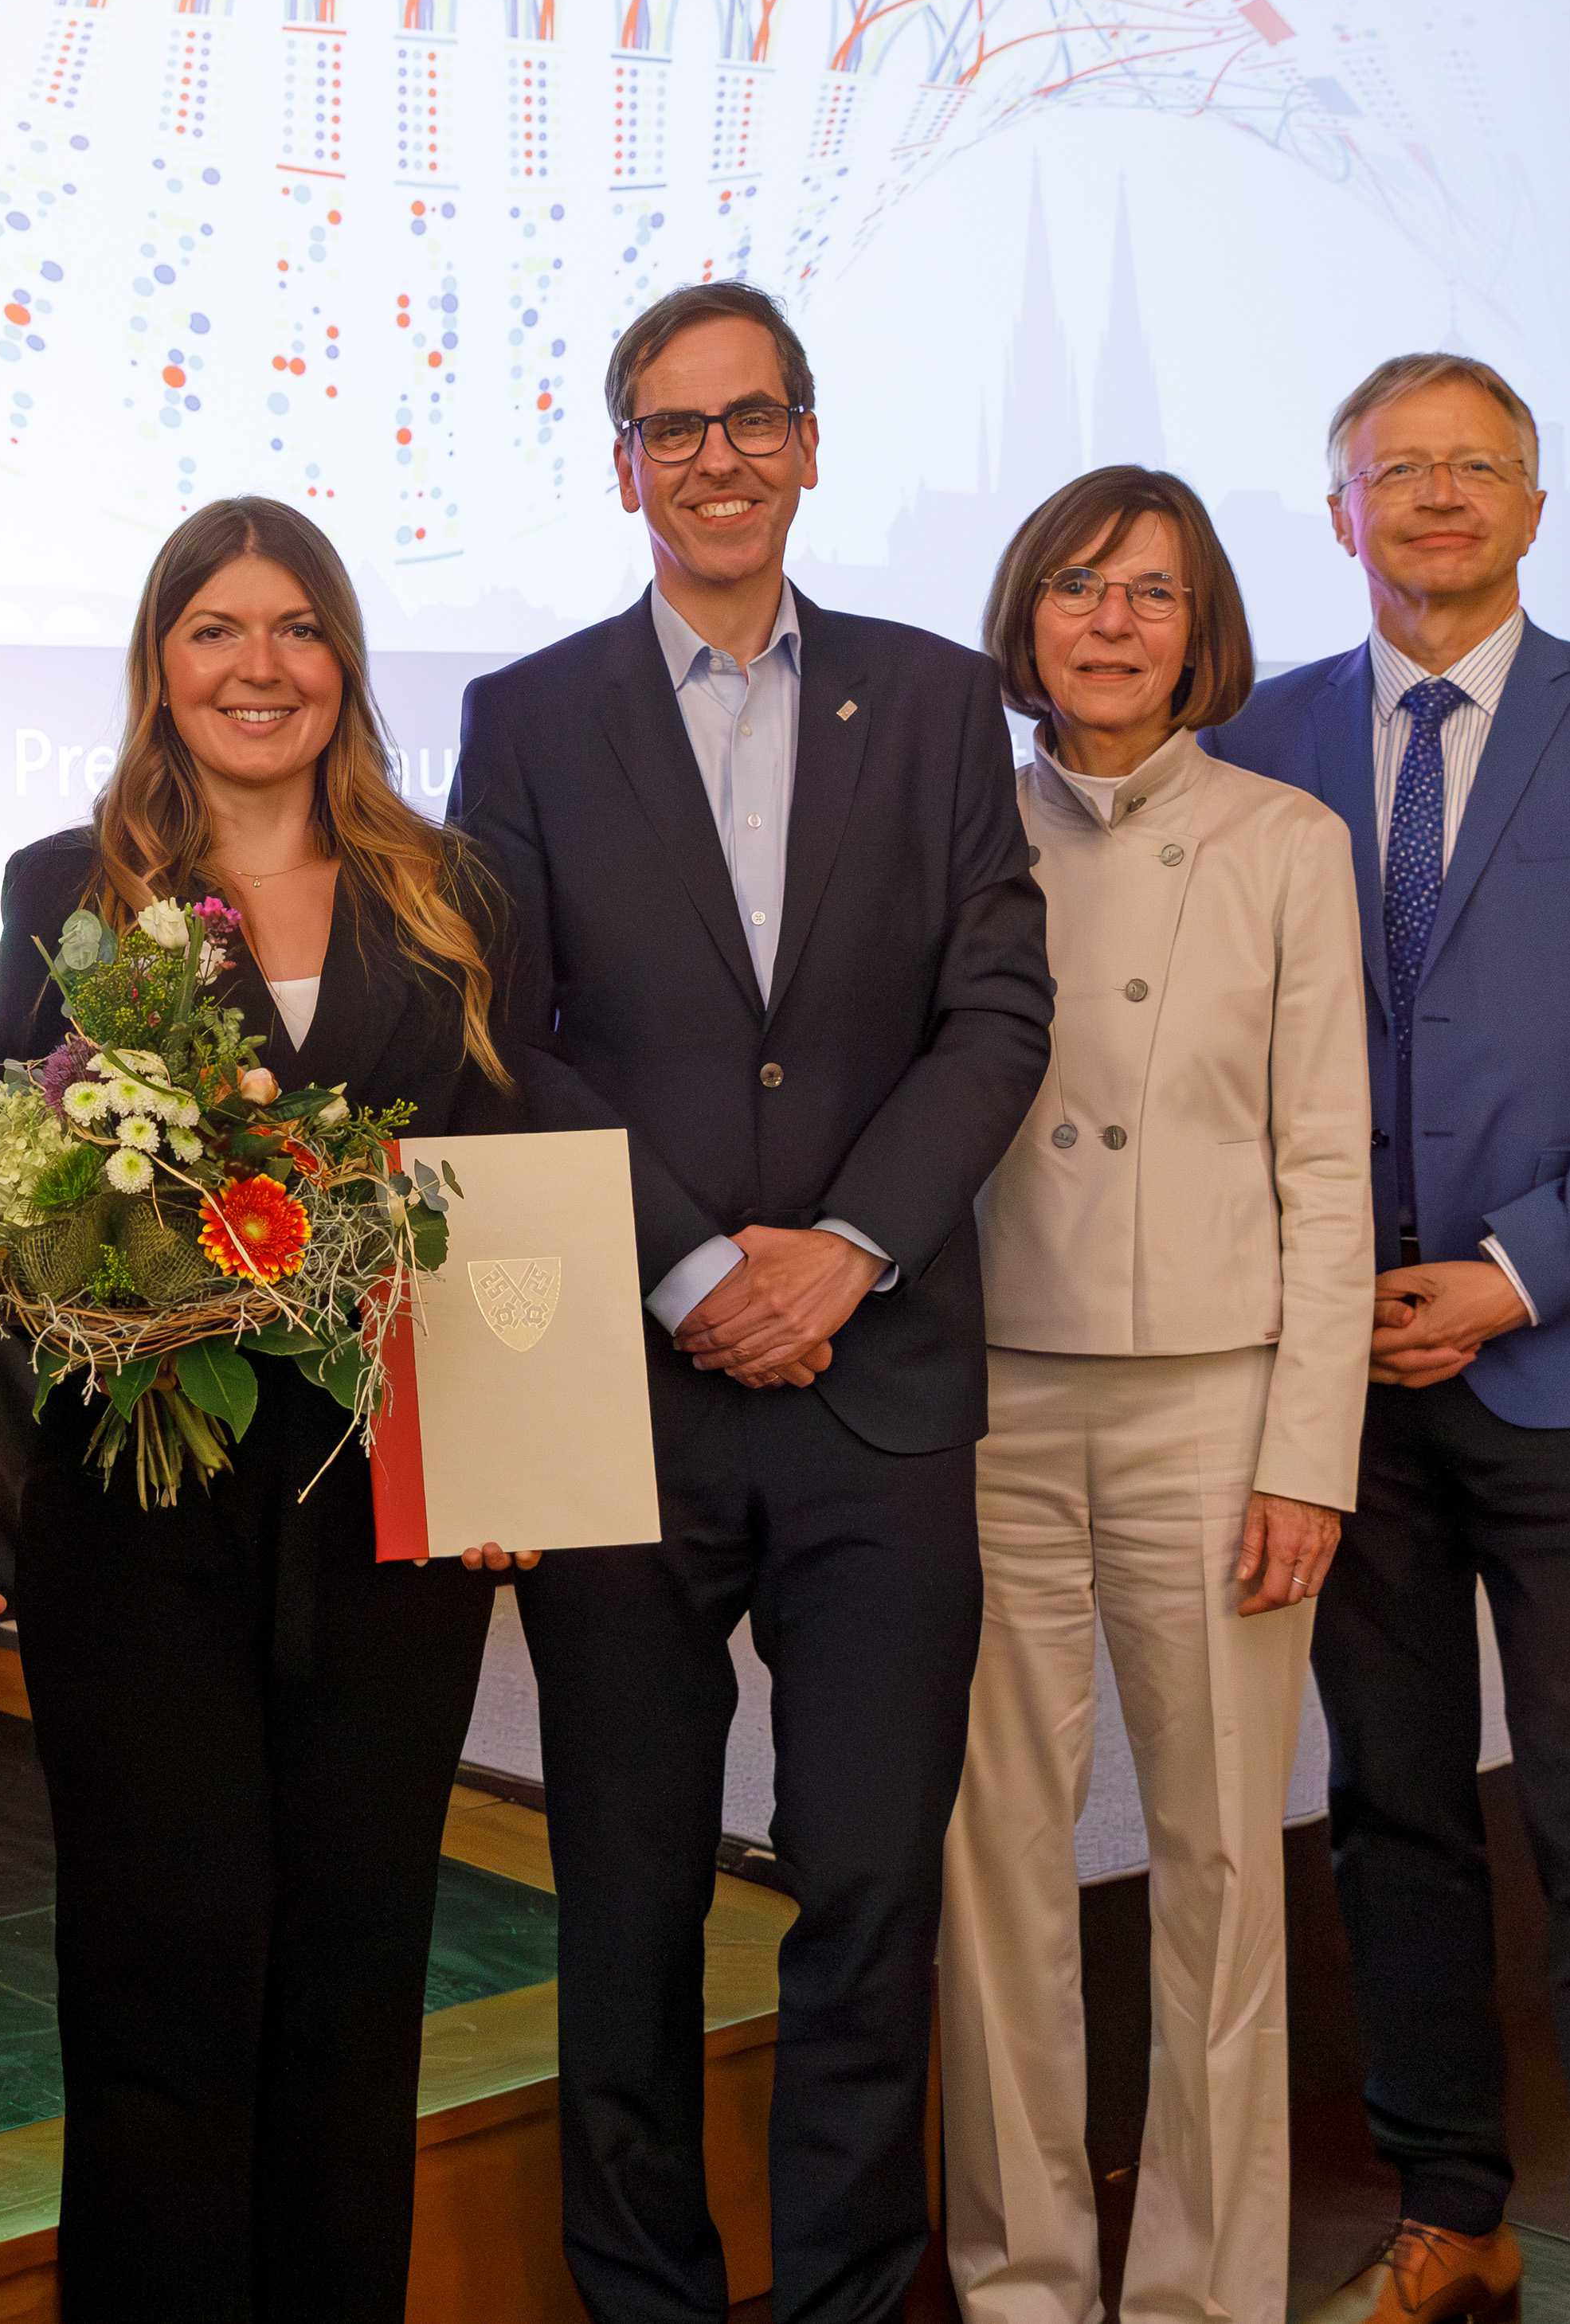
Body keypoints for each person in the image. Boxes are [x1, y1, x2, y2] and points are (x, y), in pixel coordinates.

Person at [452, 280, 1053, 2324]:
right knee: (623, 1894)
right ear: (624, 463)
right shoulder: (525, 717)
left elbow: (997, 1011)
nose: (715, 456)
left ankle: (848, 2301)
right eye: (672, 425)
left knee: (871, 1887)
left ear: (809, 441)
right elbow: (502, 1035)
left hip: (883, 1388)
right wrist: (699, 1257)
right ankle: (645, 2298)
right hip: (635, 1389)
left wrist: (848, 1248)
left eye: (751, 416)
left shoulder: (943, 696)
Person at [1212, 353, 1570, 2324]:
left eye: (1478, 468)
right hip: (1334, 1373)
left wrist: (1517, 1272)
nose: (1437, 499)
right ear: (1339, 508)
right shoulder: (1253, 740)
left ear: (1533, 507)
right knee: (1394, 1805)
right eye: (1397, 470)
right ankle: (1454, 2203)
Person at [0, 497, 538, 2324]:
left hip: (388, 1521)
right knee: (164, 1970)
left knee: (357, 1974)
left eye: (297, 627)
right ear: (162, 660)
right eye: (215, 627)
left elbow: (508, 1185)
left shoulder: (450, 894)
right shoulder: (62, 891)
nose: (260, 664)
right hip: (135, 1527)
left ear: (346, 663)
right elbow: (14, 1204)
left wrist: (526, 1448)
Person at [934, 465, 1372, 2324]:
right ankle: (1024, 2276)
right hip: (988, 1400)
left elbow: (1329, 1163)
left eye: (1156, 594)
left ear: (1207, 633)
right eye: (1081, 587)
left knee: (1217, 1863)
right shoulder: (955, 827)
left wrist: (1313, 1452)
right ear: (1026, 614)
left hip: (1219, 1403)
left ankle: (1205, 2290)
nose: (1114, 622)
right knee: (999, 1870)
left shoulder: (1285, 837)